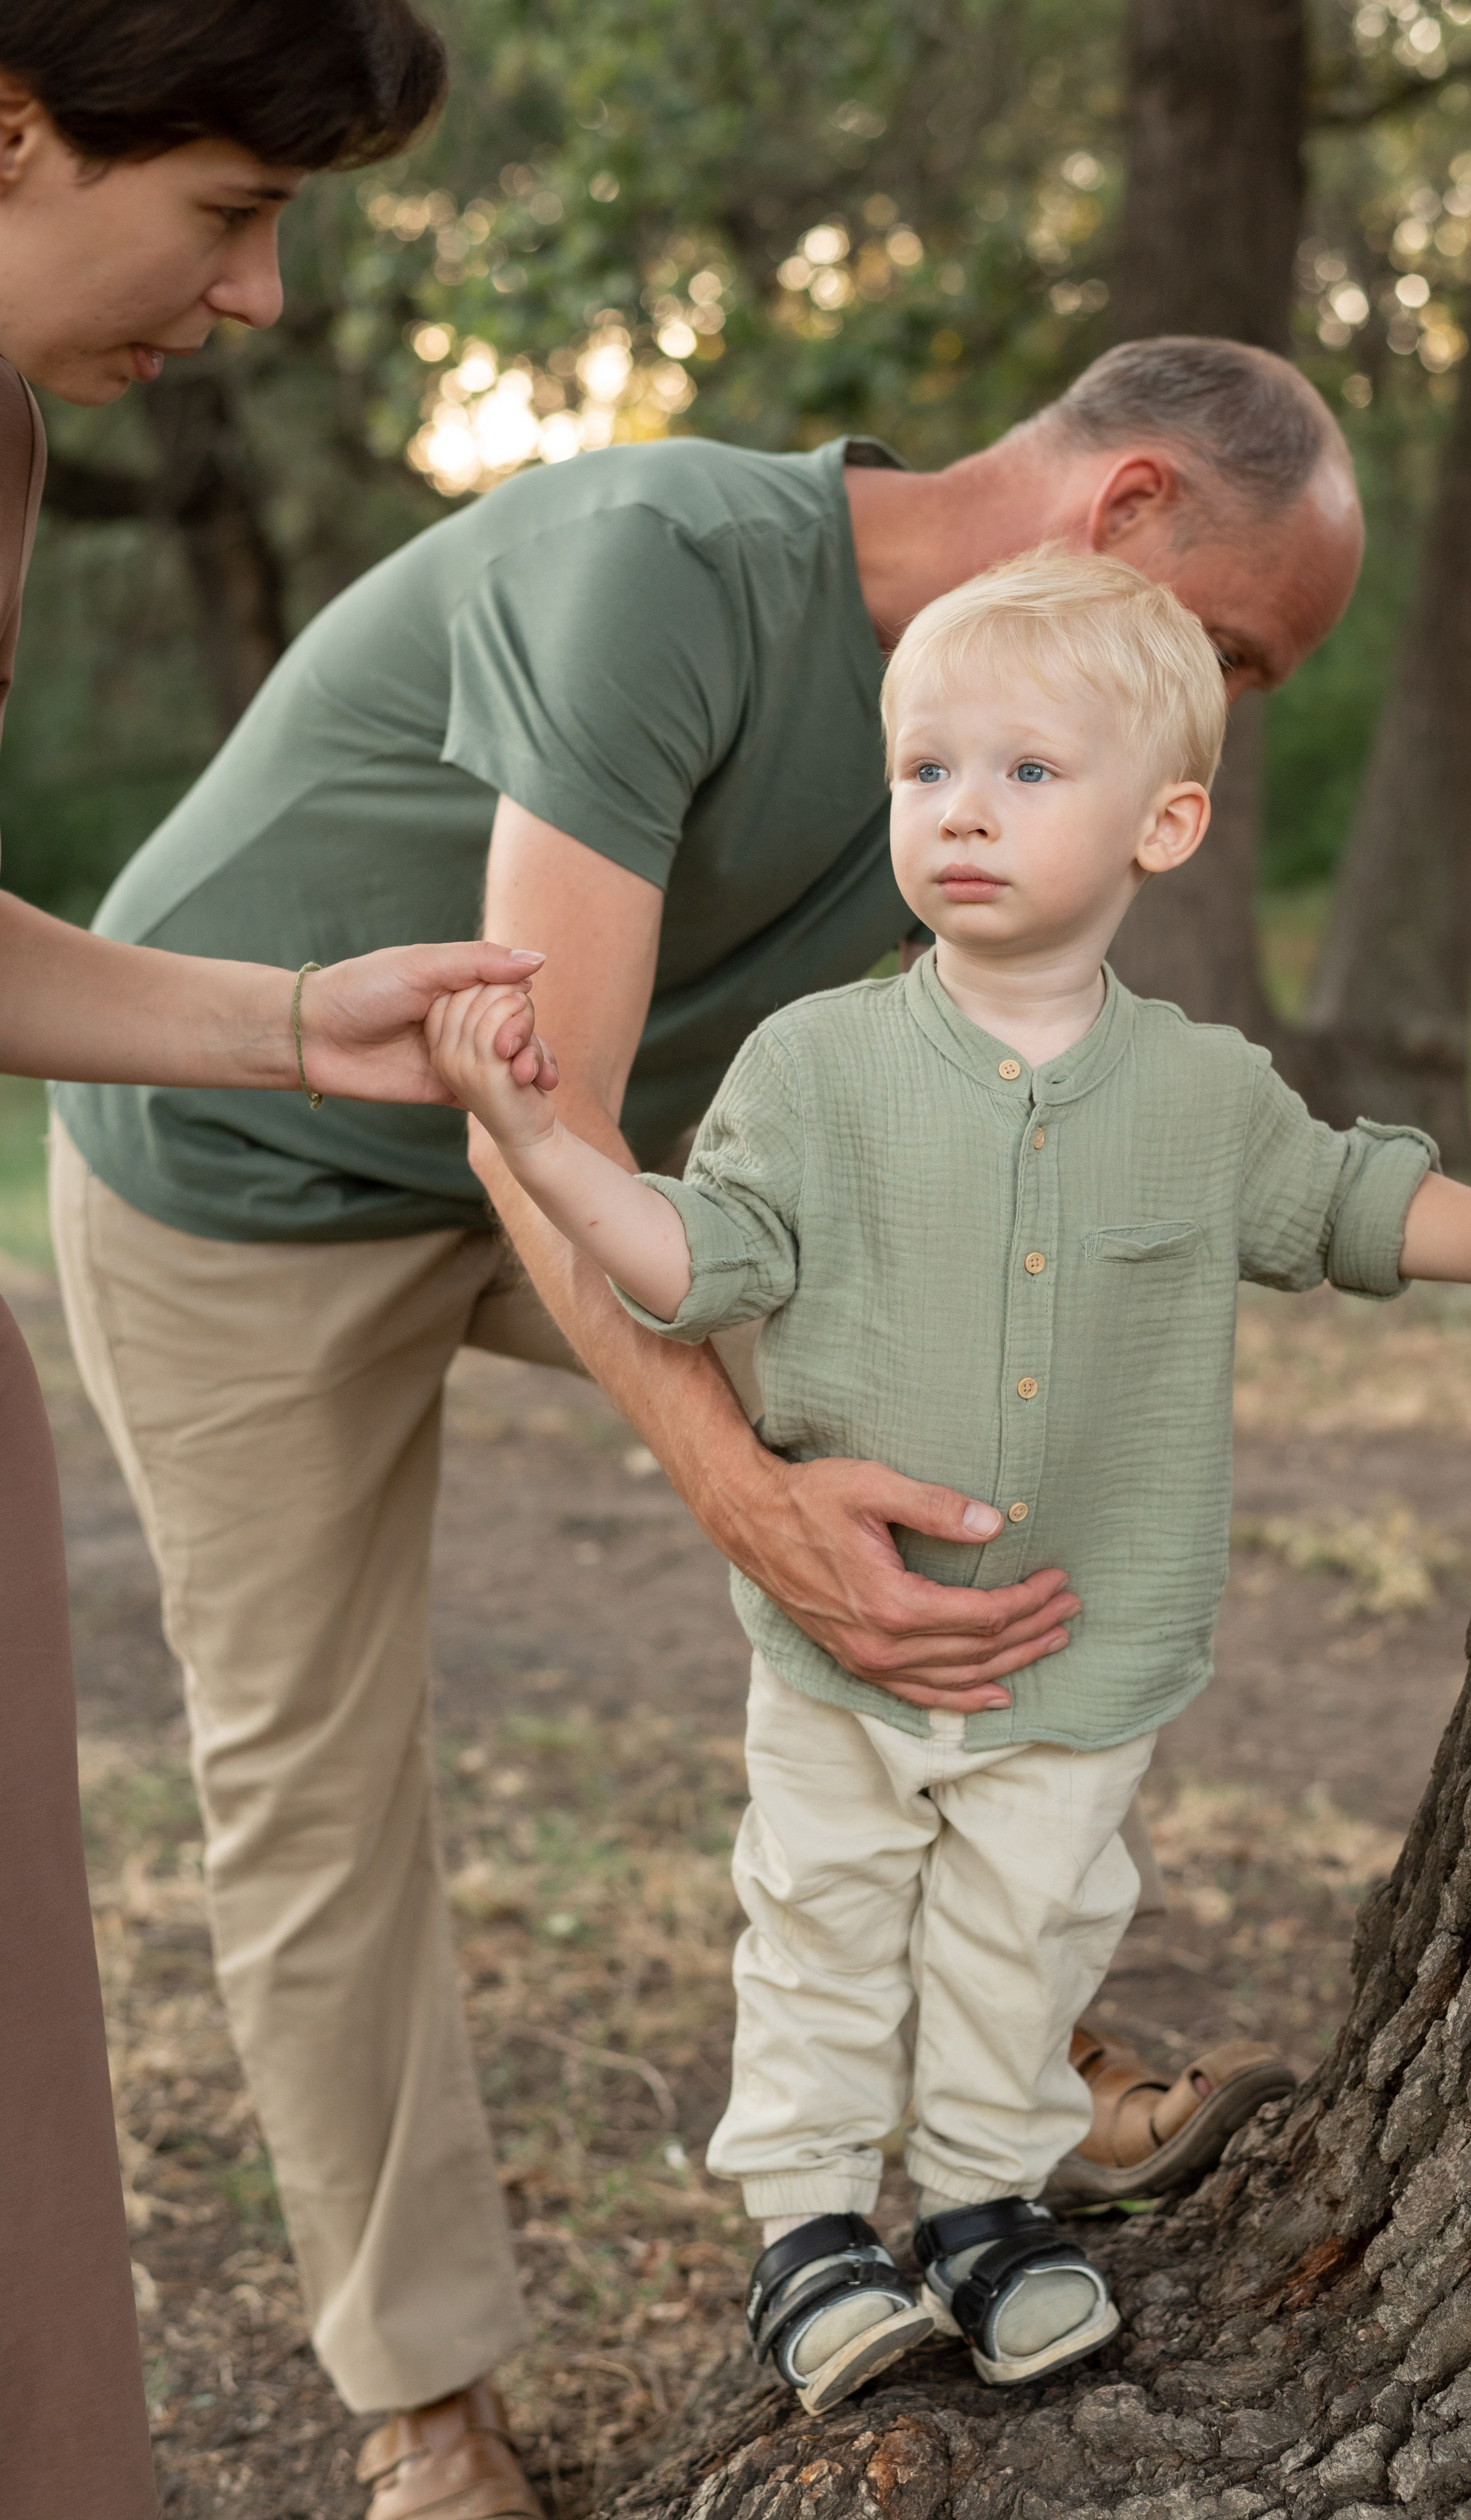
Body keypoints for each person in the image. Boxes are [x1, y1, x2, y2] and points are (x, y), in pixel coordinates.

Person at [49, 336, 1365, 2498]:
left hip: (585, 1178)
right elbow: (537, 1102)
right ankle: (425, 2410)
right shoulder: (658, 565)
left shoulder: (1007, 735)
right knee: (308, 1771)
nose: (1216, 709)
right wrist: (744, 1489)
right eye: (1227, 648)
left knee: (970, 1422)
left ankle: (1004, 2078)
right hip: (239, 1173)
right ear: (1125, 507)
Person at [423, 547, 1471, 2414]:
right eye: (928, 772)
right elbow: (685, 1257)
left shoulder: (1202, 1093)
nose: (963, 810)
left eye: (1028, 772)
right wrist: (538, 1140)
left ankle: (984, 2202)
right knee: (821, 1916)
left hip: (1082, 1640)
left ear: (1167, 824)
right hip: (845, 1650)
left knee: (1028, 1931)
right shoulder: (815, 1065)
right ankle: (811, 2227)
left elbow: (1343, 1202)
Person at [0, 7, 560, 2516]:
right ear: (12, 131)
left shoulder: (6, 441)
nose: (257, 299)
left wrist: (288, 1020)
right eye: (228, 213)